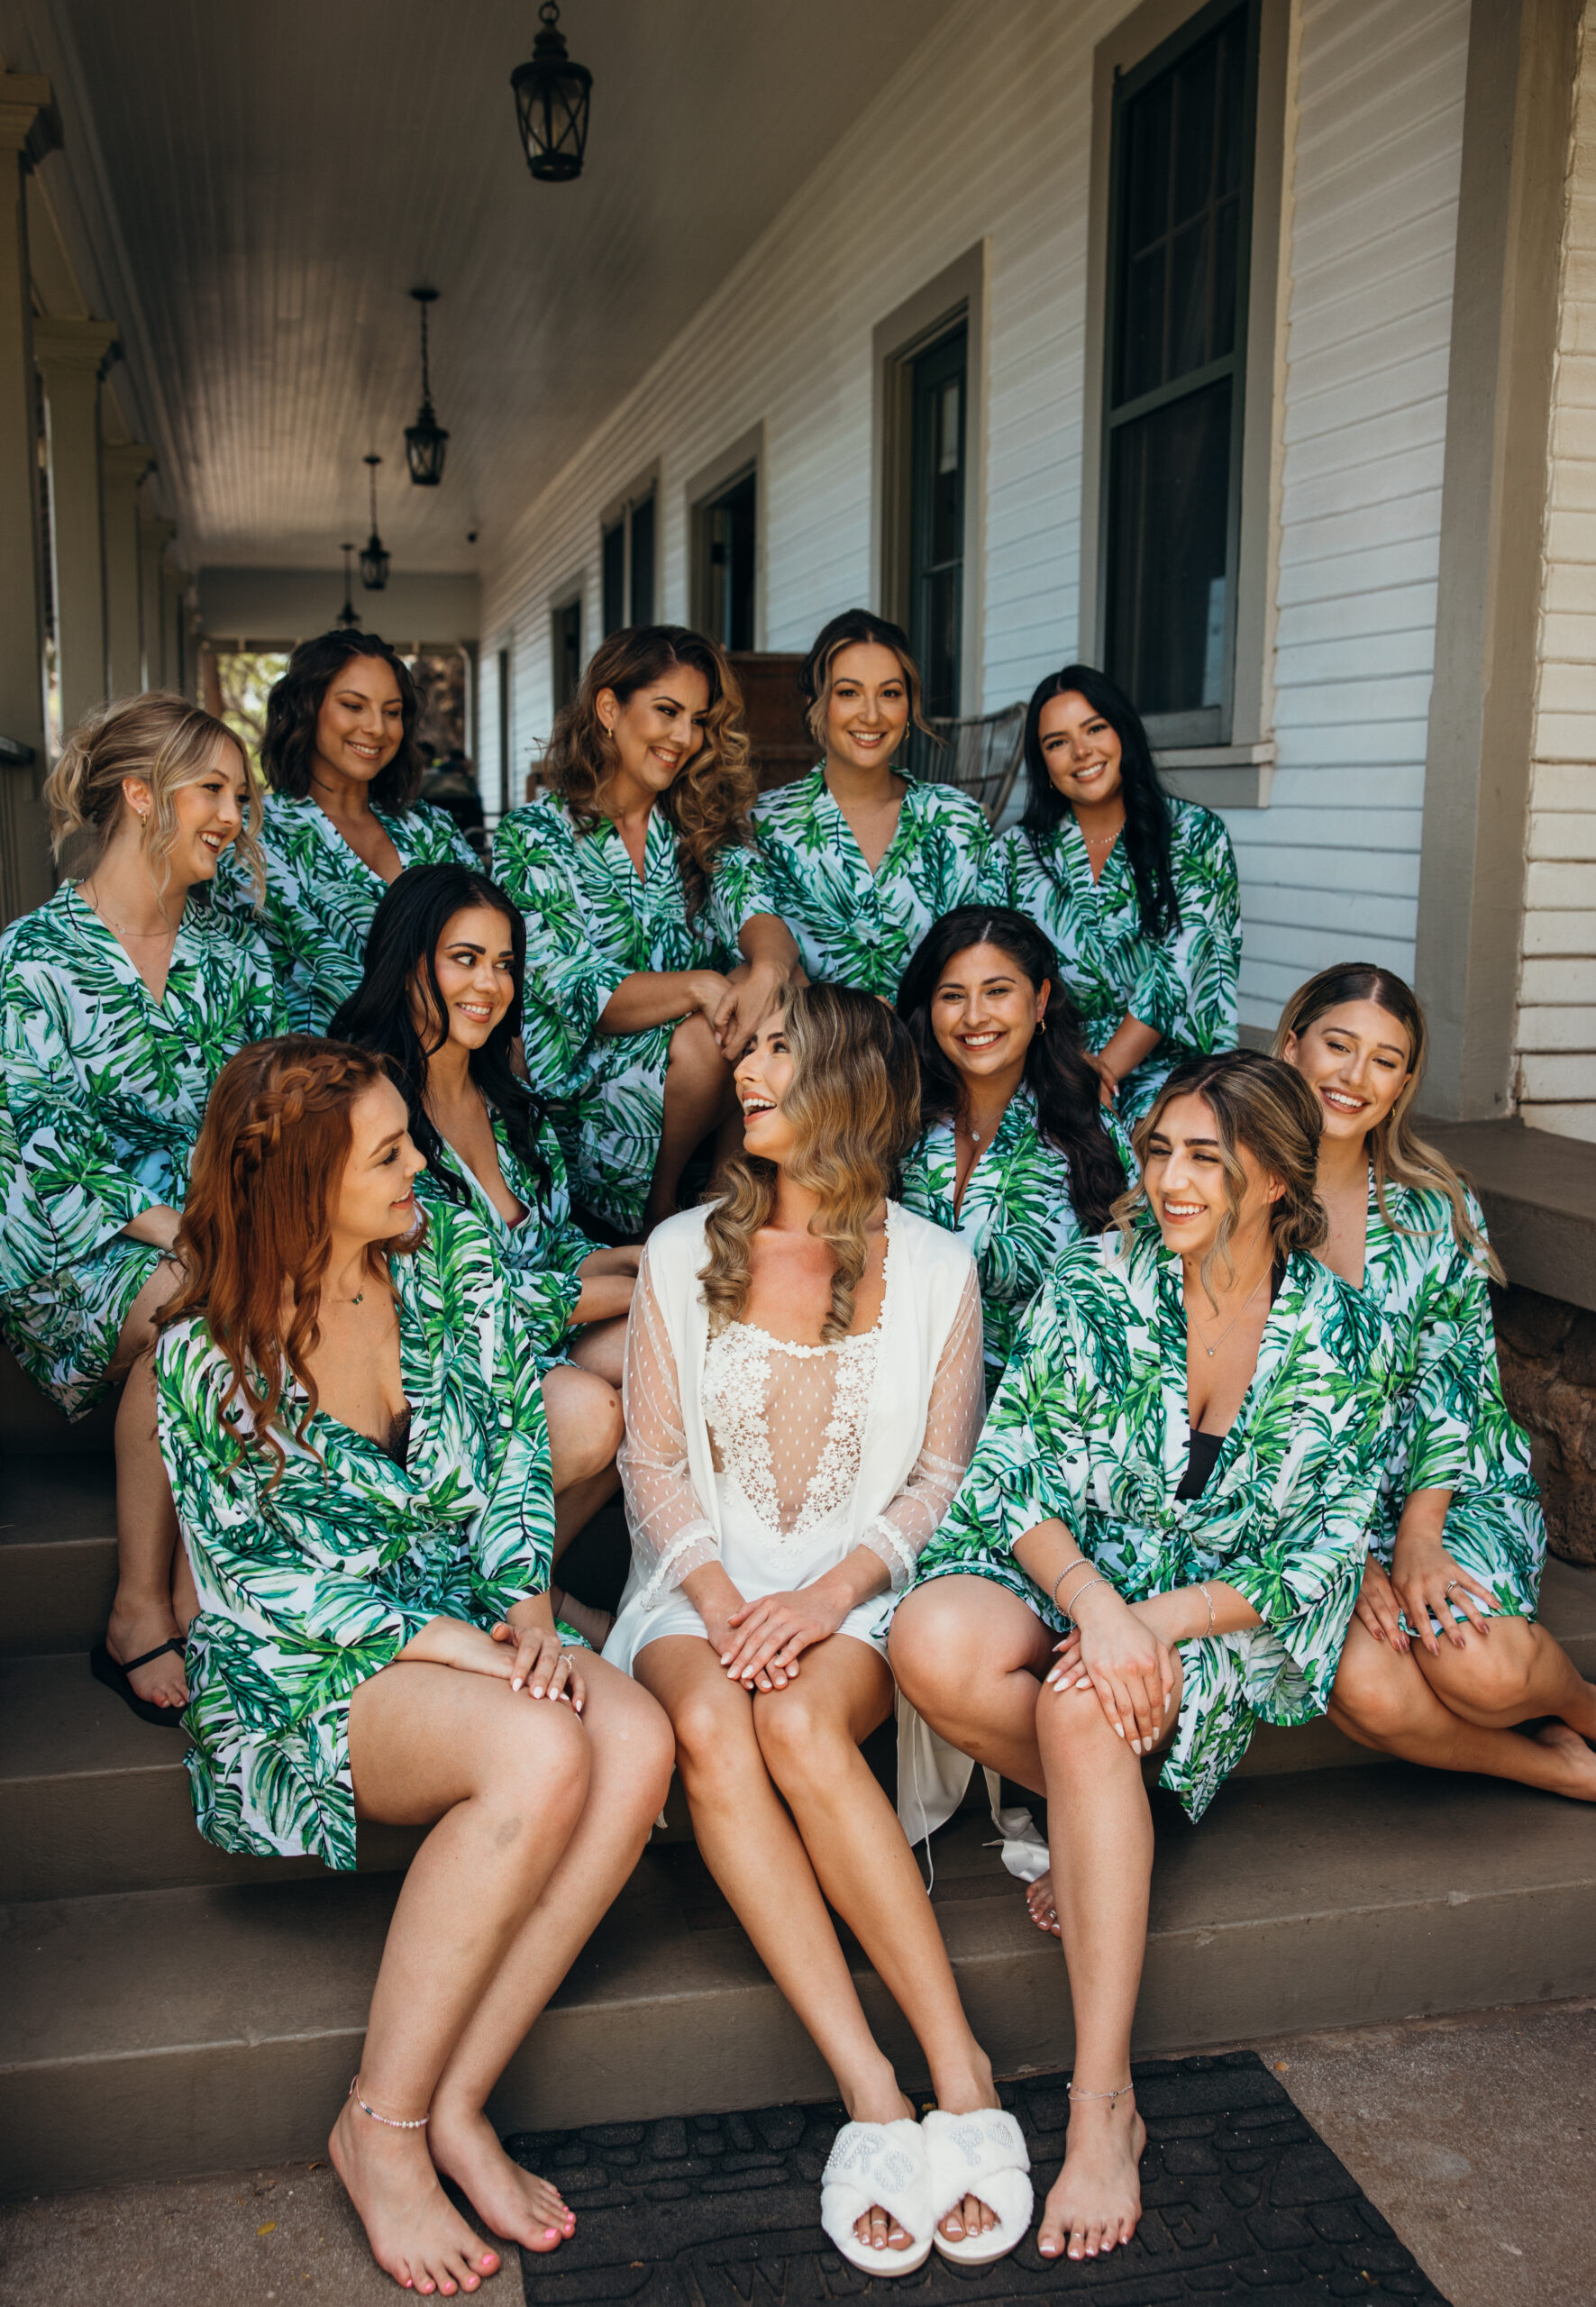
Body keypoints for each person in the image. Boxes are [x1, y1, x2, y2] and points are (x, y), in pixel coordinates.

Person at [157, 1036, 674, 2296]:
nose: (414, 1168)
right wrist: (451, 1644)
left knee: (640, 1738)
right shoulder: (201, 1358)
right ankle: (377, 2129)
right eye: (386, 1153)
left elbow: (508, 1446)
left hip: (464, 1605)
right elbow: (248, 1584)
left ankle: (457, 2102)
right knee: (541, 1745)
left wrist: (528, 1605)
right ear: (296, 1178)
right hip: (307, 1664)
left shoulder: (444, 1258)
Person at [888, 1051, 1392, 2266]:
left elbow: (1316, 1558)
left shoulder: (1342, 1331)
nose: (1163, 1180)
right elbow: (1009, 1472)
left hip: (1219, 1623)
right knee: (930, 1637)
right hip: (1075, 1571)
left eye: (1200, 1159)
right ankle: (1103, 1813)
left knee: (1077, 1710)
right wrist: (1093, 1602)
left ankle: (1099, 2103)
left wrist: (1147, 1624)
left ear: (1275, 1177)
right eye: (1157, 1151)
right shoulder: (1095, 1277)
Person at [605, 985, 1032, 2273]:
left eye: (779, 1053)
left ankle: (959, 2067)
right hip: (699, 1586)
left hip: (857, 1586)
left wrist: (823, 1599)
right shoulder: (684, 1252)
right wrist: (733, 1605)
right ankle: (869, 2086)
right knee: (707, 1716)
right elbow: (652, 1463)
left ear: (848, 1084)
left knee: (795, 1714)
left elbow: (937, 1478)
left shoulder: (940, 1269)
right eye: (751, 1051)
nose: (748, 1071)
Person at [0, 693, 280, 1719]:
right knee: (201, 1306)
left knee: (240, 1296)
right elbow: (31, 1143)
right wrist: (181, 1228)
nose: (232, 815)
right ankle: (140, 1606)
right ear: (139, 795)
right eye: (212, 789)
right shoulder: (35, 958)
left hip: (218, 1231)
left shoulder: (235, 950)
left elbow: (275, 1101)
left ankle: (211, 1590)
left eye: (239, 796)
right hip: (74, 1241)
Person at [1274, 963, 1596, 1795]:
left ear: (1403, 1084)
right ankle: (1560, 1771)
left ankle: (1581, 1706)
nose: (1353, 1077)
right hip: (1290, 1505)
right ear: (1290, 1044)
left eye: (1383, 1060)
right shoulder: (1233, 1194)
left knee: (1472, 1666)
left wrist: (1416, 1537)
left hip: (1444, 1486)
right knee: (1360, 1683)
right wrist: (1339, 1555)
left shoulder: (1433, 1203)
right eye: (1336, 1046)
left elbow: (1457, 1389)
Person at [330, 862, 640, 1646]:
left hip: (521, 1343)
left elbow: (556, 1243)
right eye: (464, 958)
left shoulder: (504, 1098)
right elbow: (468, 1297)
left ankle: (523, 1583)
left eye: (504, 964)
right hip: (433, 1379)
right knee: (595, 1405)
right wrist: (643, 1283)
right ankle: (507, 1591)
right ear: (408, 964)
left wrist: (644, 1261)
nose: (490, 983)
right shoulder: (370, 1106)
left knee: (658, 1353)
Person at [493, 625, 800, 1236]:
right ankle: (661, 1213)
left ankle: (723, 1184)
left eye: (699, 720)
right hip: (586, 1086)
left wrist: (767, 970)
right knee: (705, 1024)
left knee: (768, 984)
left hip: (705, 1072)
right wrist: (698, 988)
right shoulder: (534, 836)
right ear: (609, 708)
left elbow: (757, 909)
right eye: (666, 711)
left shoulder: (695, 824)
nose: (683, 738)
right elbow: (574, 988)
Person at [981, 665, 1239, 1122]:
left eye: (1095, 728)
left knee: (1159, 1143)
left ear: (1124, 734)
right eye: (1056, 742)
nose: (1081, 752)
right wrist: (1063, 1069)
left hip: (1174, 1062)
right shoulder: (1014, 854)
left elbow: (1180, 970)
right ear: (1042, 764)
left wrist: (1101, 1073)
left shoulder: (1195, 835)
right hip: (1053, 1059)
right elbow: (1001, 973)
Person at [896, 906, 1127, 1396]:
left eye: (998, 991)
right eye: (952, 996)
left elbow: (1132, 1297)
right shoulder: (894, 1115)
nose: (975, 1016)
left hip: (1036, 1414)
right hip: (894, 1398)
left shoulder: (1089, 1131)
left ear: (1040, 1001)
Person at [214, 630, 477, 1032]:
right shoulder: (253, 835)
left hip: (453, 1074)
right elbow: (241, 985)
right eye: (354, 706)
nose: (376, 728)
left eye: (392, 712)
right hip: (321, 1080)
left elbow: (493, 947)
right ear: (308, 708)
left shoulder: (431, 829)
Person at [751, 609, 990, 998]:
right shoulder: (765, 826)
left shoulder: (956, 820)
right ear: (817, 703)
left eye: (890, 694)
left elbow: (992, 952)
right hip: (814, 1053)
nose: (872, 714)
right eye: (849, 693)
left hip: (936, 1053)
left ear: (909, 706)